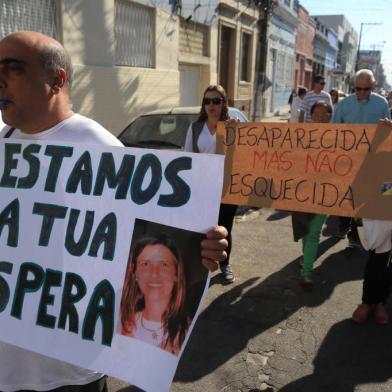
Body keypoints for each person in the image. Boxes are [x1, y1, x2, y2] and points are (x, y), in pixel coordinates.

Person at [0, 31, 229, 392]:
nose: (1, 79)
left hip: (70, 375)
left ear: (56, 80)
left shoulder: (103, 150)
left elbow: (153, 254)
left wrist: (199, 250)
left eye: (12, 68)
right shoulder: (4, 144)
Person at [184, 84, 237, 284]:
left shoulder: (232, 124)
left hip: (227, 187)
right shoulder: (195, 127)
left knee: (224, 228)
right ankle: (200, 264)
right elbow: (188, 156)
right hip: (202, 187)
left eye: (216, 100)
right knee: (201, 226)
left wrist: (236, 132)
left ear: (223, 103)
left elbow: (244, 156)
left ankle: (225, 264)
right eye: (207, 101)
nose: (211, 105)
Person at [333, 69, 391, 249]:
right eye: (358, 89)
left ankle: (362, 234)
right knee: (345, 196)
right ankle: (348, 229)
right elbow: (334, 130)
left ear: (373, 87)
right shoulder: (344, 104)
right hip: (347, 160)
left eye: (366, 89)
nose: (361, 93)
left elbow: (388, 133)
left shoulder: (381, 104)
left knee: (365, 197)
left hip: (371, 161)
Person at [120, 235, 188, 355]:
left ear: (176, 274)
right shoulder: (122, 324)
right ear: (135, 273)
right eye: (145, 264)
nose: (154, 274)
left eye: (164, 264)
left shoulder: (188, 331)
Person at [291, 101, 333, 289]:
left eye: (325, 115)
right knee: (305, 231)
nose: (320, 118)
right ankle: (306, 258)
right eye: (317, 115)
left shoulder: (340, 138)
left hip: (325, 193)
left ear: (330, 117)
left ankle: (306, 273)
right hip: (303, 192)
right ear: (311, 116)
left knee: (314, 232)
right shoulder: (302, 137)